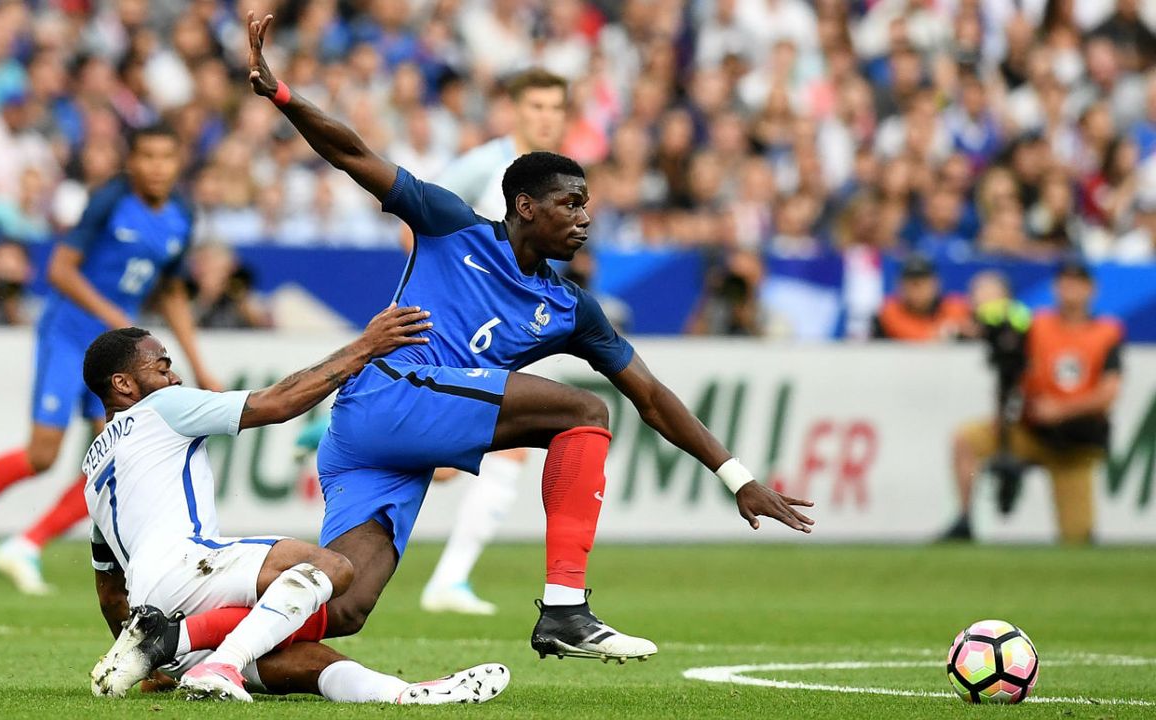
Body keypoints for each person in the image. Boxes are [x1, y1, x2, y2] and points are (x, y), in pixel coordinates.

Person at [247, 11, 814, 663]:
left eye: (587, 203)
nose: (585, 217)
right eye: (570, 203)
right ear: (525, 207)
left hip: (392, 442)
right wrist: (281, 93)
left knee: (342, 609)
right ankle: (566, 612)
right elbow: (353, 154)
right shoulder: (451, 225)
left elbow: (652, 399)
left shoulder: (570, 309)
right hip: (386, 394)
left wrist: (735, 475)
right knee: (583, 412)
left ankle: (181, 633)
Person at [84, 320, 509, 703]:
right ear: (123, 384)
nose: (174, 377)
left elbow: (110, 594)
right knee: (333, 569)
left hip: (149, 603)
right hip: (186, 569)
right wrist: (365, 347)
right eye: (162, 368)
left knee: (305, 659)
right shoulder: (162, 408)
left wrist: (151, 666)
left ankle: (403, 694)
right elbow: (279, 403)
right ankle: (211, 657)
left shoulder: (92, 470)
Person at [0, 124, 221, 595]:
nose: (157, 167)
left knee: (117, 459)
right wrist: (116, 317)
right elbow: (59, 269)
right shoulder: (109, 201)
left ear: (179, 164)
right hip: (70, 335)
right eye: (147, 157)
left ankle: (26, 545)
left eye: (166, 158)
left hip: (117, 354)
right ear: (131, 162)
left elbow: (171, 292)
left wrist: (200, 364)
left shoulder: (182, 215)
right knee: (43, 455)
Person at [419, 67, 570, 616]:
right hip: (456, 328)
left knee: (500, 449)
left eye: (555, 107)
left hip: (502, 333)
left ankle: (449, 581)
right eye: (536, 107)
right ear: (513, 111)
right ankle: (447, 582)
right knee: (462, 455)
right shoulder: (484, 164)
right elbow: (415, 215)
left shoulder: (558, 176)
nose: (546, 117)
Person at [942, 259, 1124, 544]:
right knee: (966, 439)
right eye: (1065, 282)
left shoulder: (1106, 332)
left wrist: (1060, 410)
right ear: (1055, 287)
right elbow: (999, 332)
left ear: (1092, 290)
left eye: (1078, 283)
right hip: (1031, 431)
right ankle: (965, 520)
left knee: (1077, 539)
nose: (1070, 289)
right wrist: (984, 311)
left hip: (1075, 445)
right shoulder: (1035, 324)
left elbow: (1109, 392)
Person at [872, 256, 971, 341]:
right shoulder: (889, 312)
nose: (917, 291)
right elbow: (914, 336)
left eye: (923, 283)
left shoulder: (955, 307)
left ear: (936, 283)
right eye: (911, 284)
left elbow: (964, 324)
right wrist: (941, 332)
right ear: (899, 286)